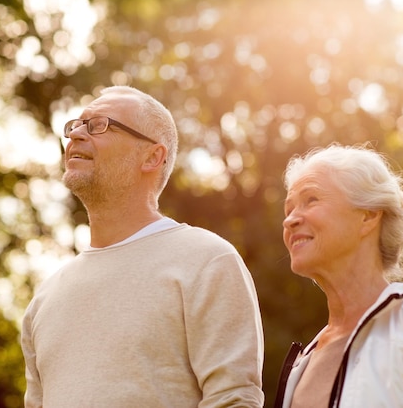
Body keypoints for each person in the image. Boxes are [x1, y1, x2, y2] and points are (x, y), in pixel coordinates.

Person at [20, 85, 265, 407]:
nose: (77, 134)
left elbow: (234, 399)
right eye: (76, 124)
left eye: (99, 125)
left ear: (152, 157)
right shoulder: (45, 298)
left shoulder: (206, 260)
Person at [274, 144, 403, 408]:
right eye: (289, 209)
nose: (289, 220)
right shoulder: (306, 358)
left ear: (368, 215)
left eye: (311, 200)